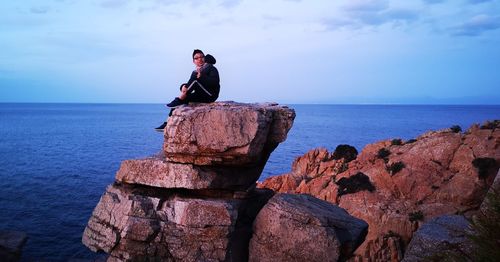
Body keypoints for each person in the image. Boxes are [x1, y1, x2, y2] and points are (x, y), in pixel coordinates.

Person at [155, 50, 220, 131]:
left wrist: (201, 76)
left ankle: (179, 99)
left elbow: (214, 82)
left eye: (201, 57)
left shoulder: (212, 68)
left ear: (205, 58)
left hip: (210, 95)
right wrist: (182, 86)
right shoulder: (195, 72)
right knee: (179, 103)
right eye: (196, 58)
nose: (199, 59)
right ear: (193, 61)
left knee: (194, 83)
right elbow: (190, 83)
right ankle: (167, 123)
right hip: (200, 95)